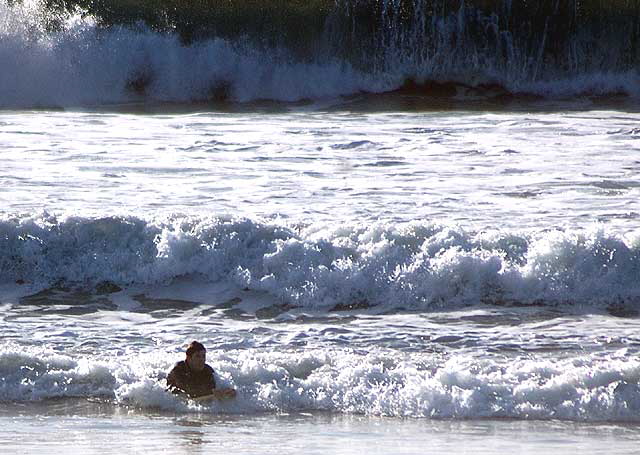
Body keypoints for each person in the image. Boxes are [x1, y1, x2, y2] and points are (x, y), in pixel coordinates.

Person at [166, 341, 236, 399]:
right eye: (197, 356)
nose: (201, 360)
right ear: (188, 358)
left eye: (203, 356)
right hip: (170, 397)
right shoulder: (178, 369)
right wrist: (214, 394)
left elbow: (211, 390)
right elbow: (189, 394)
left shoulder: (207, 370)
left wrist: (226, 393)